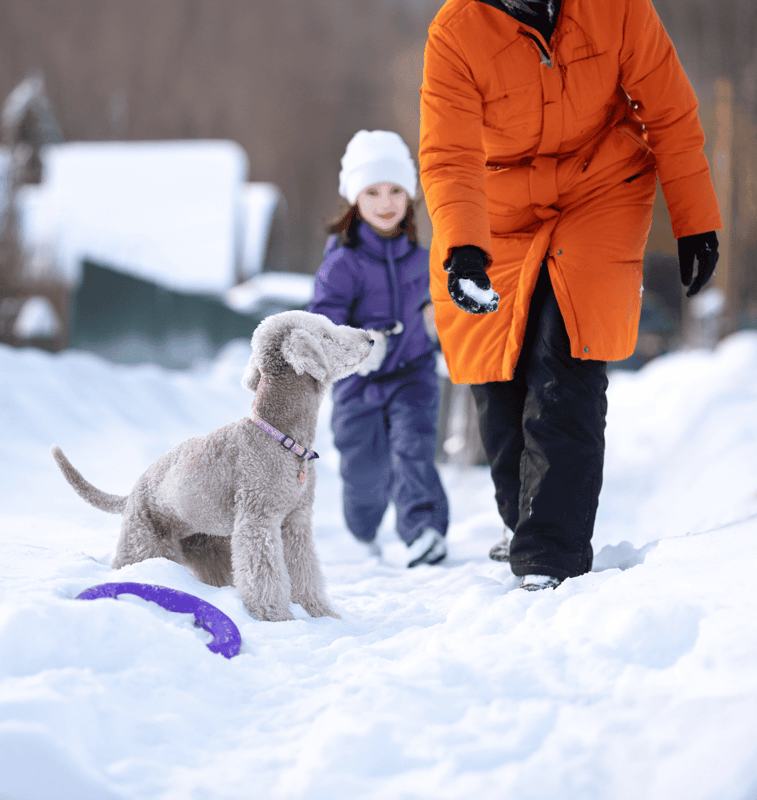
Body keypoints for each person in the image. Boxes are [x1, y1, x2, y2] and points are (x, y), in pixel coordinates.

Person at [419, 0, 721, 590]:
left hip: (599, 186)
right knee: (496, 368)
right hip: (494, 204)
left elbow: (670, 110)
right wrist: (464, 249)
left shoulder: (620, 9)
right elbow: (448, 153)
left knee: (567, 352)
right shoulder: (455, 31)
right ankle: (524, 522)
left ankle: (549, 557)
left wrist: (696, 220)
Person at [308, 129, 449, 567]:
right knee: (365, 471)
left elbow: (443, 311)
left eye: (395, 190)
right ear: (355, 199)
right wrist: (358, 348)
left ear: (409, 196)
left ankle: (423, 530)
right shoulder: (341, 264)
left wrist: (436, 330)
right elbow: (321, 324)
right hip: (358, 384)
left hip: (413, 374)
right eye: (372, 192)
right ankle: (363, 527)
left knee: (414, 447)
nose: (385, 202)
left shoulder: (424, 260)